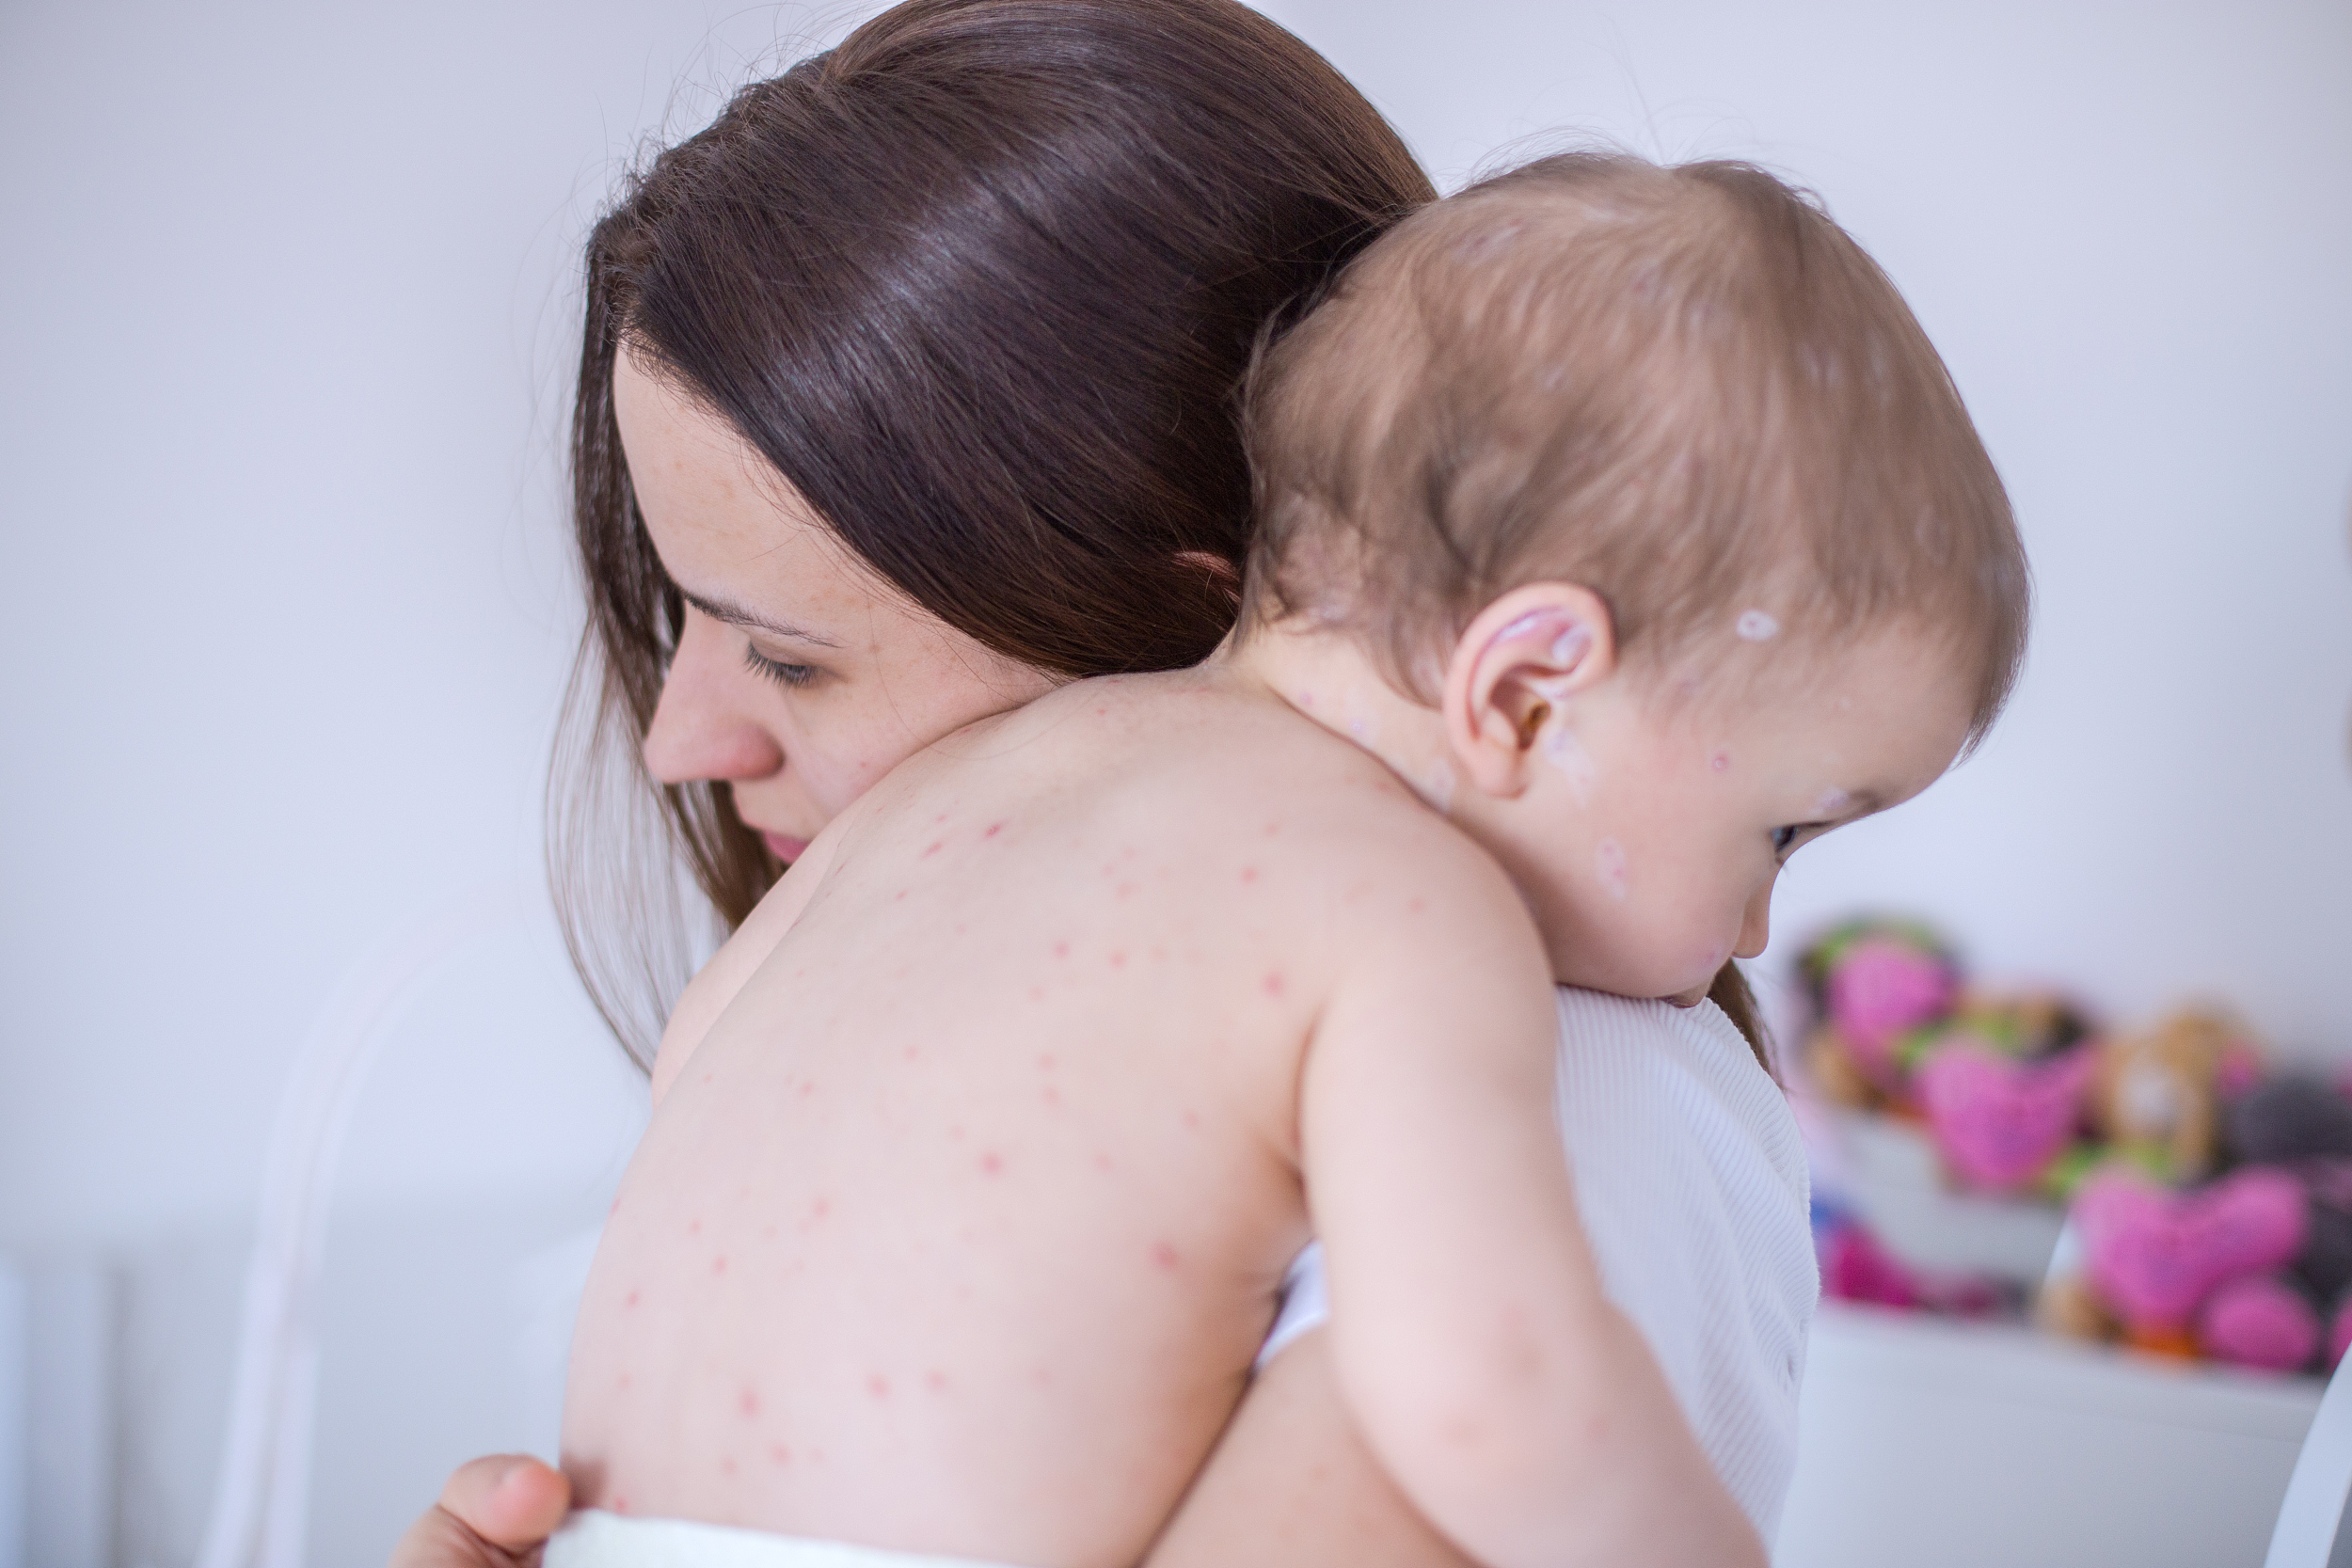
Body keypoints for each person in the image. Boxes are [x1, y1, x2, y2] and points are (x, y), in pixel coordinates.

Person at [386, 4, 1929, 1563]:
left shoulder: (1568, 1108)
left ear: (1178, 610)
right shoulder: (1327, 958)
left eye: (788, 655)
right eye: (688, 620)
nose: (674, 741)